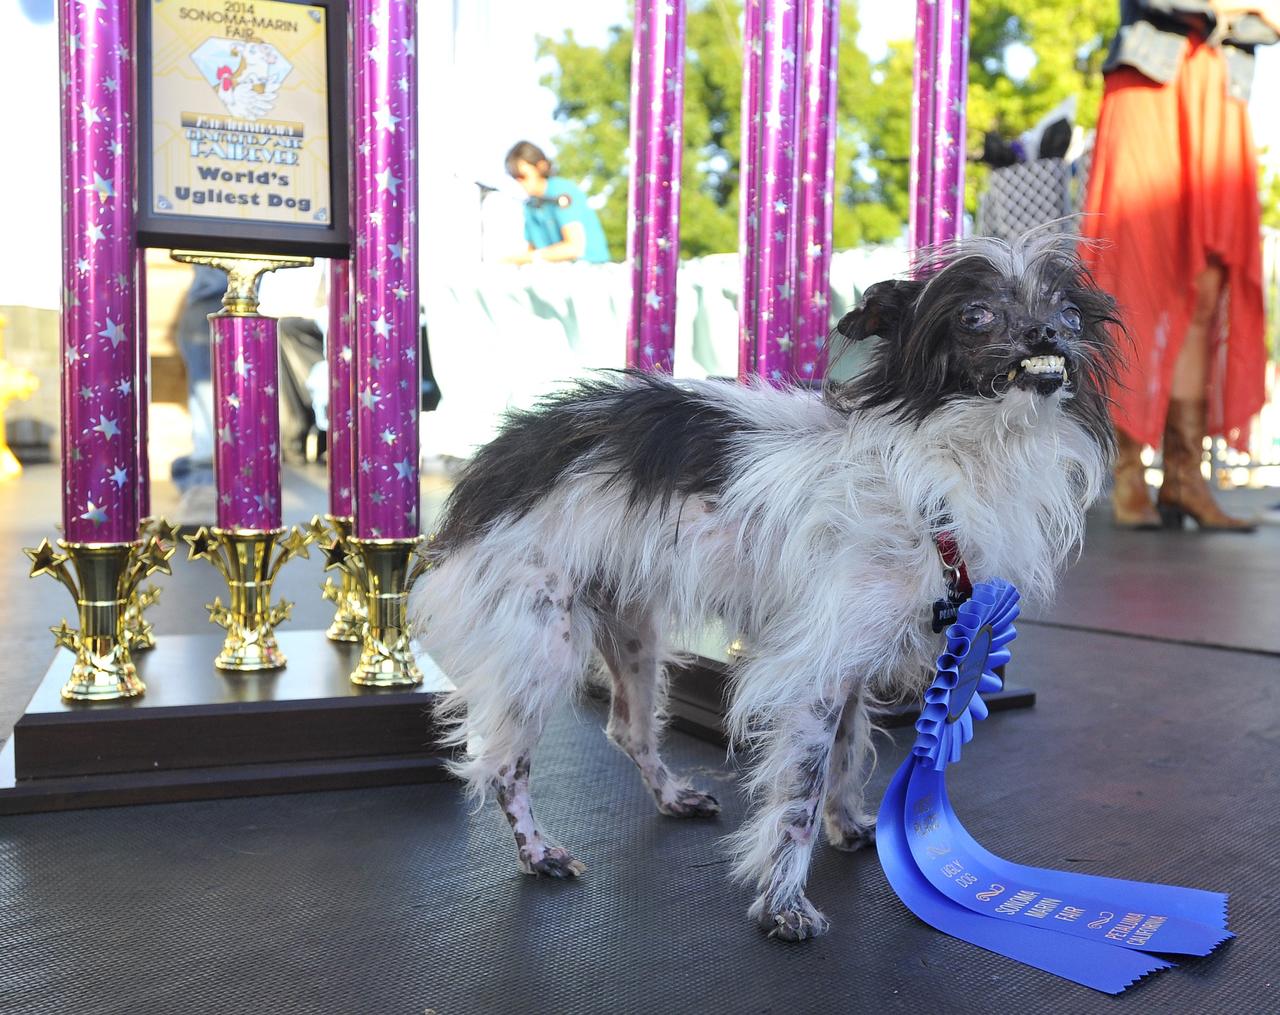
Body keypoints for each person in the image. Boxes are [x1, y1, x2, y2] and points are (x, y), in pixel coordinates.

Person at [1081, 1, 1279, 530]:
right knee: (1134, 272)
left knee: (1208, 286)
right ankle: (1127, 472)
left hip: (1217, 89)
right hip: (1152, 84)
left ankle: (1184, 477)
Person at [501, 141, 610, 265]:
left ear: (541, 167)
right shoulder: (530, 205)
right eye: (515, 177)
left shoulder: (561, 191)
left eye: (523, 176)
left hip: (590, 269)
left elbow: (574, 248)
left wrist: (527, 257)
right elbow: (532, 250)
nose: (520, 182)